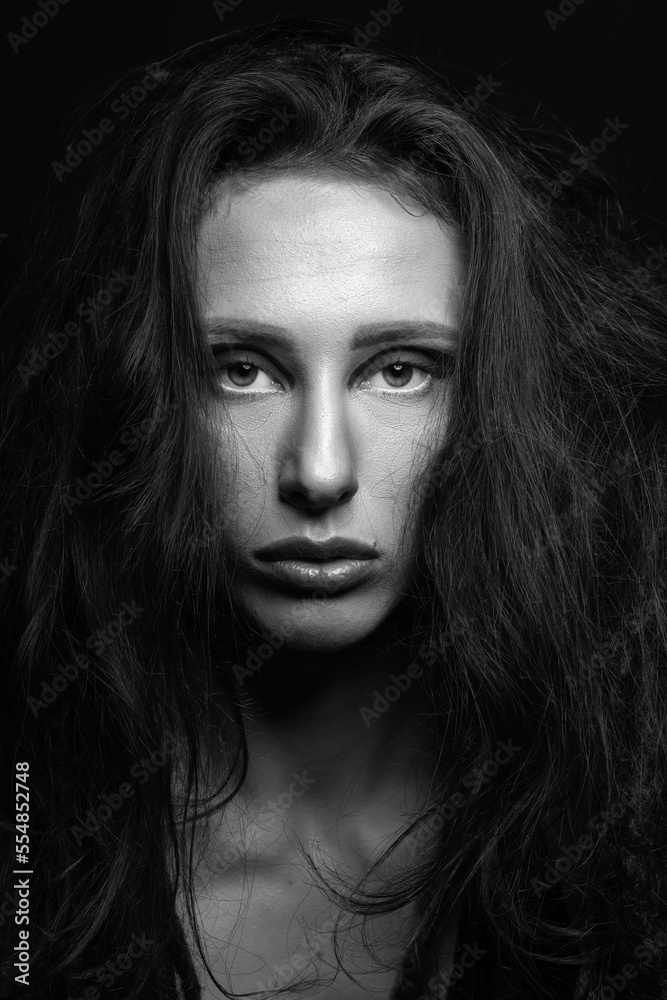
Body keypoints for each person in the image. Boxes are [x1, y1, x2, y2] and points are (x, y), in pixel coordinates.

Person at [1, 16, 666, 1000]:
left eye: (399, 370)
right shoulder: (36, 844)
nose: (318, 470)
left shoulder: (620, 840)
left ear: (491, 397)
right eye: (243, 369)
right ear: (143, 396)